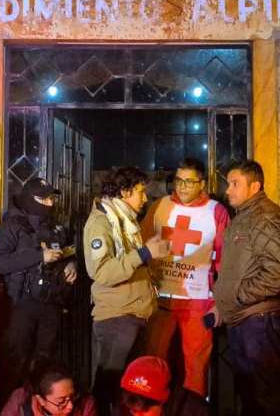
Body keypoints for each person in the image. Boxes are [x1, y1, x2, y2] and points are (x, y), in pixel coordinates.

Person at [84, 166, 170, 416]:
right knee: (109, 391)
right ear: (124, 191)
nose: (145, 198)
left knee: (128, 394)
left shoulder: (126, 220)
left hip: (133, 316)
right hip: (116, 319)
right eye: (141, 192)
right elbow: (102, 272)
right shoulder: (101, 222)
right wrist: (144, 254)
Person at [139, 158, 229, 398]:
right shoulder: (159, 206)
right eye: (179, 180)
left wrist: (219, 301)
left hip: (198, 301)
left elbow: (224, 260)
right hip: (161, 300)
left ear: (202, 183)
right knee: (154, 363)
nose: (183, 186)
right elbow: (141, 247)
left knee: (196, 367)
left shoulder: (216, 212)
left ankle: (194, 409)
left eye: (189, 182)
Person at [211, 160, 280, 416]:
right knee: (250, 395)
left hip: (257, 320)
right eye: (228, 184)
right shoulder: (245, 216)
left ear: (255, 186)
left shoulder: (265, 217)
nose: (228, 190)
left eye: (235, 184)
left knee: (264, 395)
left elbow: (277, 274)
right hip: (244, 319)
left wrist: (236, 295)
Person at [0, 179, 79, 400]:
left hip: (50, 304)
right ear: (30, 199)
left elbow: (66, 252)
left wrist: (71, 265)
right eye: (44, 198)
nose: (49, 203)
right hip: (20, 305)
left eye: (52, 198)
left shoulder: (55, 226)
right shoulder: (11, 226)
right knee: (15, 363)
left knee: (45, 364)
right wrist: (39, 256)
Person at [113, 357, 209, 416]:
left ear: (163, 401)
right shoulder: (122, 410)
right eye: (133, 411)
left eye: (144, 412)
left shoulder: (195, 411)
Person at [0, 359, 98, 416]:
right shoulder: (20, 400)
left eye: (72, 396)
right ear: (41, 400)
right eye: (62, 401)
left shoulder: (86, 404)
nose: (70, 406)